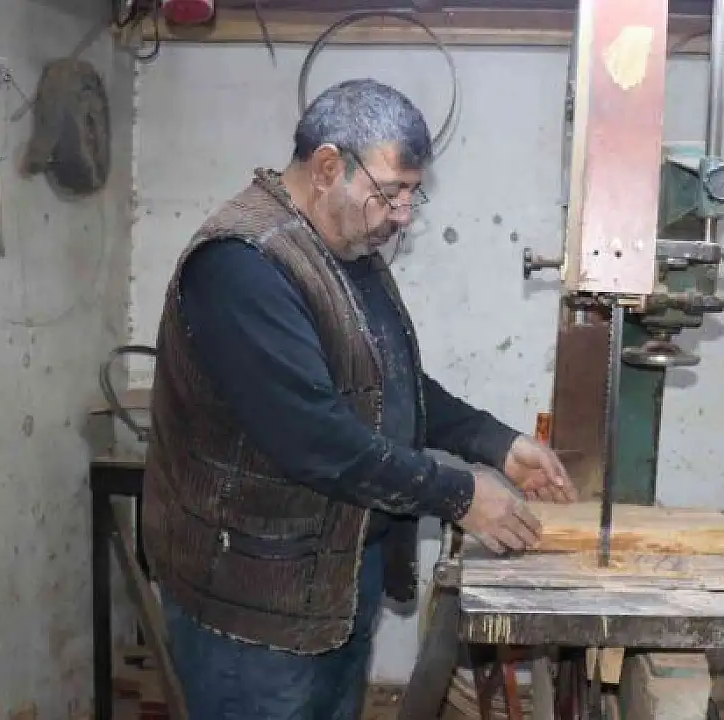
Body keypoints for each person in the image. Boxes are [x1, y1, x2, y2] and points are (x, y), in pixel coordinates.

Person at [139, 78, 577, 720]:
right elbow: (312, 439)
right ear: (326, 168)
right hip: (252, 599)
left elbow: (391, 382)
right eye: (390, 191)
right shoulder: (242, 263)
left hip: (338, 576)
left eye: (412, 194)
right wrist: (459, 495)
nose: (402, 214)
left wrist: (494, 443)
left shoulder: (344, 246)